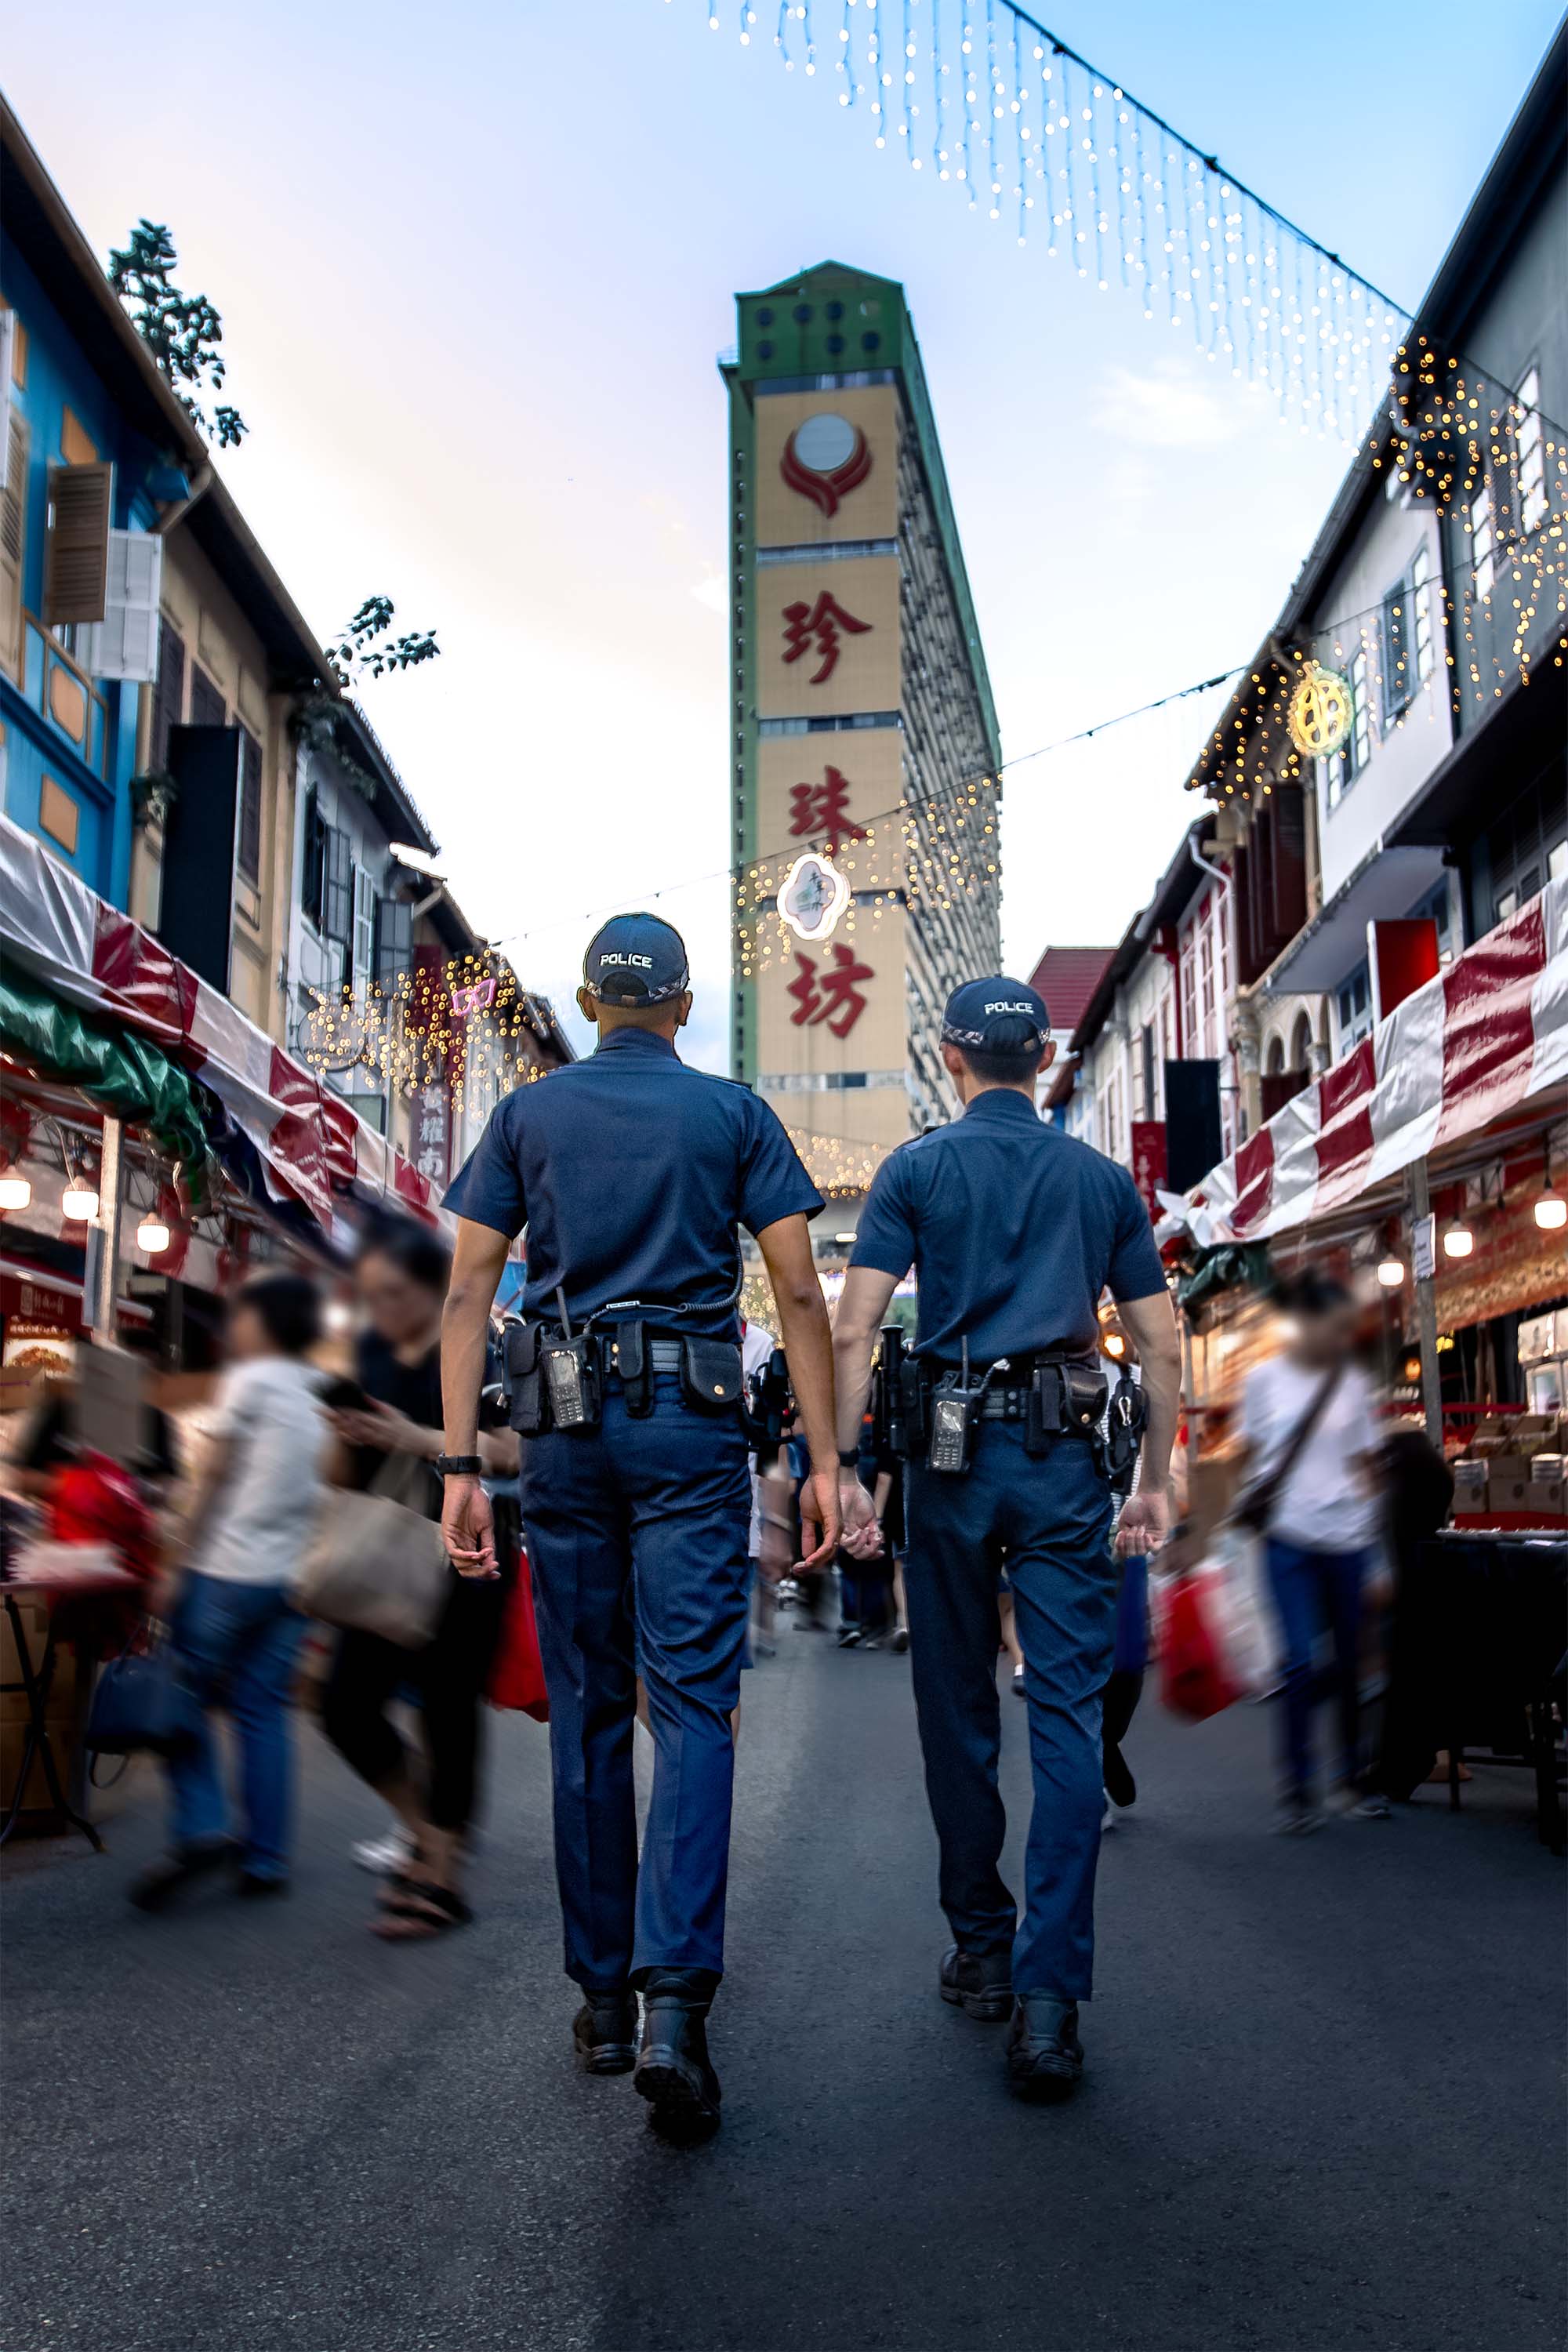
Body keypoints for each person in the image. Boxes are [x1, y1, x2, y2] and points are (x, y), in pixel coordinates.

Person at [437, 913, 840, 2136]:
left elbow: (467, 1287)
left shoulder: (526, 1115)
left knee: (589, 1708)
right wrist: (827, 1459)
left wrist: (459, 1464)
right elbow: (801, 1290)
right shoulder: (733, 1116)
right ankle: (676, 2006)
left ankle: (603, 2002)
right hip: (690, 1427)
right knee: (697, 1705)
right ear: (678, 1005)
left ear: (587, 999)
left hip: (559, 1431)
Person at [832, 978, 1181, 2103]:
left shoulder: (917, 1170)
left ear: (951, 1058)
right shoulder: (1099, 1181)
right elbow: (1163, 1348)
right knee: (1068, 1713)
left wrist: (842, 1467)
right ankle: (1049, 2001)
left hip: (945, 1459)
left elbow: (854, 1322)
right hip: (1068, 1457)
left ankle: (981, 1946)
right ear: (1043, 1058)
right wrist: (1156, 1480)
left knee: (957, 1707)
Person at [319, 1225, 516, 1936]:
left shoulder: (475, 1343)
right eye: (371, 1296)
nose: (382, 1309)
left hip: (468, 1548)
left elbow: (511, 1451)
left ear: (434, 1290)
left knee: (445, 1706)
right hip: (380, 1545)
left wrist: (417, 1438)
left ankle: (443, 1872)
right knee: (344, 1705)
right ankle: (426, 1834)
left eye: (395, 1294)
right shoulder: (369, 1349)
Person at [130, 1271, 327, 1911]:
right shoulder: (318, 1390)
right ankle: (266, 1859)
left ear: (265, 1323)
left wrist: (172, 1563)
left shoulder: (252, 1381)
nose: (233, 1323)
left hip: (226, 1573)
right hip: (288, 1584)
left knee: (180, 1695)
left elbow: (210, 1480)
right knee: (262, 1714)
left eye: (242, 1314)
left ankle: (201, 1826)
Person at [1237, 1271, 1382, 1831]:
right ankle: (1298, 1787)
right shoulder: (1262, 1381)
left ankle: (1350, 1777)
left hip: (1349, 1538)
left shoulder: (1353, 1383)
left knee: (1349, 1662)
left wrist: (1380, 1555)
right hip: (1287, 1537)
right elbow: (1249, 1456)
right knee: (1299, 1660)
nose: (1340, 1338)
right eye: (1332, 1326)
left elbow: (1366, 1465)